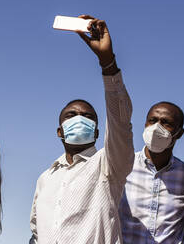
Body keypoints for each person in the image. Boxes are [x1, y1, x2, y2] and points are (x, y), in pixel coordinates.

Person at [29, 15, 134, 244]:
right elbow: (37, 232)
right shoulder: (46, 178)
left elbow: (121, 124)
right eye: (71, 115)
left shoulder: (108, 166)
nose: (79, 119)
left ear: (97, 132)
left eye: (88, 117)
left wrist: (108, 63)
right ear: (60, 131)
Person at [119, 101, 184, 243]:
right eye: (152, 121)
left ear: (179, 133)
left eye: (166, 123)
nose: (156, 127)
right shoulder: (123, 166)